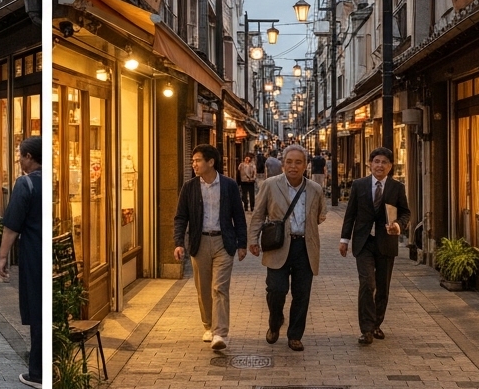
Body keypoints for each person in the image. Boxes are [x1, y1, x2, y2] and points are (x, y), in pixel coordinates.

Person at [249, 144, 326, 351]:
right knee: (276, 289)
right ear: (283, 164)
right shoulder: (270, 185)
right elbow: (258, 214)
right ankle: (275, 322)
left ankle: (295, 335)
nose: (293, 166)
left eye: (298, 162)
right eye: (289, 162)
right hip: (278, 245)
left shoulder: (315, 189)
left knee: (302, 294)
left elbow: (320, 215)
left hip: (305, 247)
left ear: (305, 165)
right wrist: (253, 240)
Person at [173, 144, 247, 350]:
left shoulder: (229, 185)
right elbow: (181, 217)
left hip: (224, 242)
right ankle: (208, 325)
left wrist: (242, 243)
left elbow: (239, 216)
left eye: (197, 160)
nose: (193, 164)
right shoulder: (189, 187)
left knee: (219, 288)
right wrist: (179, 243)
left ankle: (220, 333)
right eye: (193, 160)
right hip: (200, 242)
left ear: (210, 162)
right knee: (203, 288)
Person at [339, 146, 410, 345]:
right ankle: (366, 329)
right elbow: (350, 214)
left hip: (386, 242)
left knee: (382, 287)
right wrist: (344, 240)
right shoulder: (359, 185)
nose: (380, 165)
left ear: (390, 167)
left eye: (384, 162)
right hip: (364, 242)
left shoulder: (397, 188)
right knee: (367, 284)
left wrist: (398, 225)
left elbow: (405, 212)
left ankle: (377, 323)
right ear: (370, 164)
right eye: (376, 161)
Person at [0, 136, 42, 389]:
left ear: (28, 157)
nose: (19, 159)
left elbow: (11, 226)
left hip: (34, 254)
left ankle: (37, 372)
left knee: (37, 309)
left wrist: (3, 256)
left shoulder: (25, 184)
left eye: (20, 155)